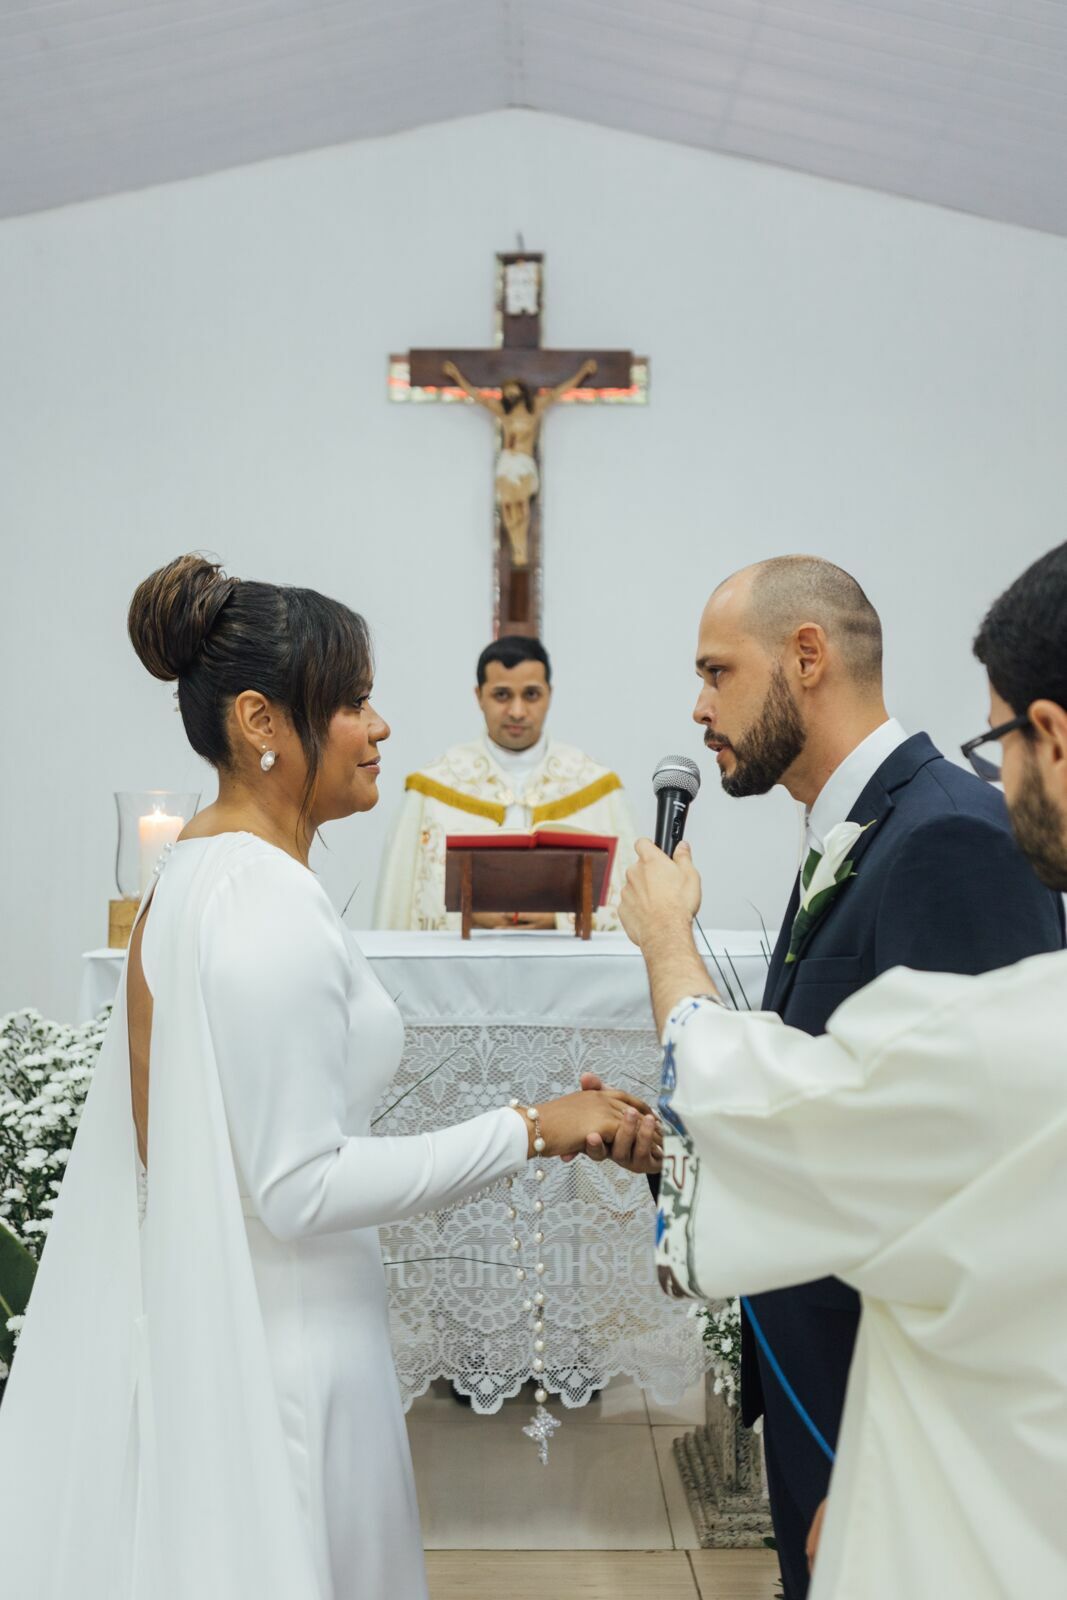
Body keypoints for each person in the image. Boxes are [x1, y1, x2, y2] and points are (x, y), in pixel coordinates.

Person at [0, 555, 651, 1600]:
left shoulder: (197, 878)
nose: (378, 726)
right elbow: (296, 1186)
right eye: (351, 702)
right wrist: (530, 1125)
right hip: (291, 1369)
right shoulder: (262, 902)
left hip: (252, 1335)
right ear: (261, 720)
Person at [582, 555, 1064, 1597]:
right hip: (834, 1387)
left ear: (806, 657)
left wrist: (667, 943)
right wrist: (693, 1145)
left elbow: (979, 1175)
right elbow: (876, 1104)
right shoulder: (856, 832)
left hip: (907, 1416)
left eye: (717, 672)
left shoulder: (949, 838)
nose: (697, 707)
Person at [374, 633, 638, 931]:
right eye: (501, 695)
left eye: (531, 695)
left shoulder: (596, 786)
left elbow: (635, 903)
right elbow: (402, 905)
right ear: (479, 696)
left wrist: (559, 918)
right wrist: (467, 914)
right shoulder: (432, 786)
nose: (517, 711)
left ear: (549, 695)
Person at [441, 359, 597, 567]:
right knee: (507, 505)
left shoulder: (535, 410)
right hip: (508, 461)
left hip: (524, 462)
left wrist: (583, 373)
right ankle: (517, 549)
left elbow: (560, 391)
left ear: (522, 392)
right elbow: (477, 397)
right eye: (507, 393)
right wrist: (455, 376)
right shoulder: (504, 414)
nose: (510, 396)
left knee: (521, 504)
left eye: (513, 392)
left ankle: (521, 547)